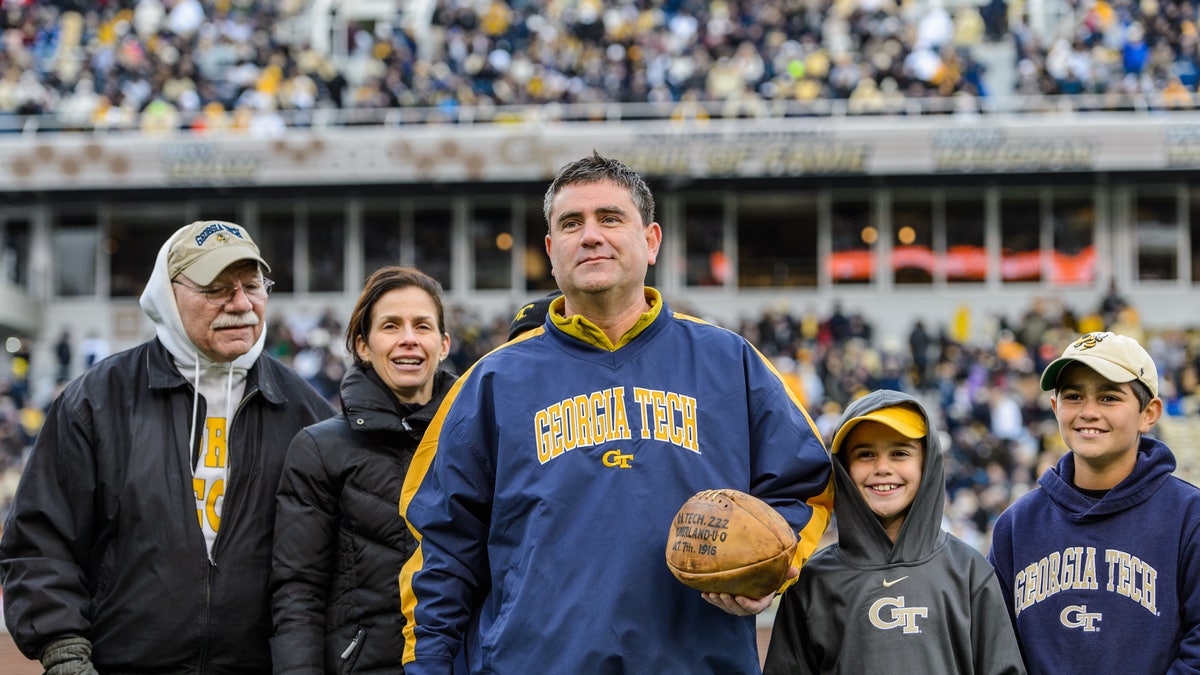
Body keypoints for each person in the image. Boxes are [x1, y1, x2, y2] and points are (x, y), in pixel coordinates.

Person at [398, 151, 834, 673]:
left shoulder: (731, 361)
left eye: (610, 218)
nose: (590, 235)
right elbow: (441, 547)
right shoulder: (489, 381)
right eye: (571, 224)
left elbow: (806, 483)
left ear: (650, 241)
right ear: (551, 250)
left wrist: (769, 566)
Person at [0, 220, 333, 673]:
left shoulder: (307, 412)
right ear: (168, 296)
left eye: (252, 285)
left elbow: (333, 564)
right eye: (217, 288)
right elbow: (40, 540)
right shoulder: (96, 400)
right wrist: (64, 652)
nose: (241, 304)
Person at [270, 266, 457, 674]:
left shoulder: (476, 439)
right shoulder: (319, 449)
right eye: (391, 325)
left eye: (422, 326)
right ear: (363, 345)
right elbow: (298, 592)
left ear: (443, 344)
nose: (409, 339)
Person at [764, 389, 1026, 674]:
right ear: (843, 467)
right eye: (865, 454)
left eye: (900, 453)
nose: (883, 468)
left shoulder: (969, 571)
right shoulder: (812, 582)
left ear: (927, 462)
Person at [987, 331, 1200, 673]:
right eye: (1073, 396)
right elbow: (993, 647)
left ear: (1149, 413)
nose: (1088, 412)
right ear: (1055, 408)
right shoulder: (1017, 524)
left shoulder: (1189, 516)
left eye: (1109, 398)